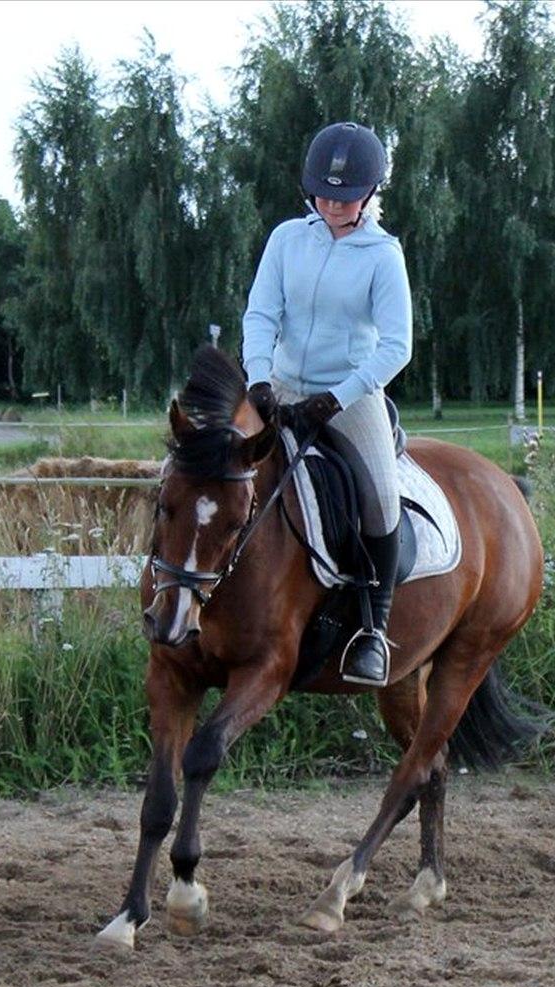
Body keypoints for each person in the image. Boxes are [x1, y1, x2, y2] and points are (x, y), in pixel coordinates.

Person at [242, 121, 413, 686]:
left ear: (368, 196)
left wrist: (336, 399)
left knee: (382, 500)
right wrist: (258, 378)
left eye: (345, 197)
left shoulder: (383, 256)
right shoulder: (287, 239)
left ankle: (373, 629)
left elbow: (397, 346)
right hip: (282, 384)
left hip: (351, 394)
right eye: (323, 193)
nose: (332, 204)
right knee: (214, 465)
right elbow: (261, 313)